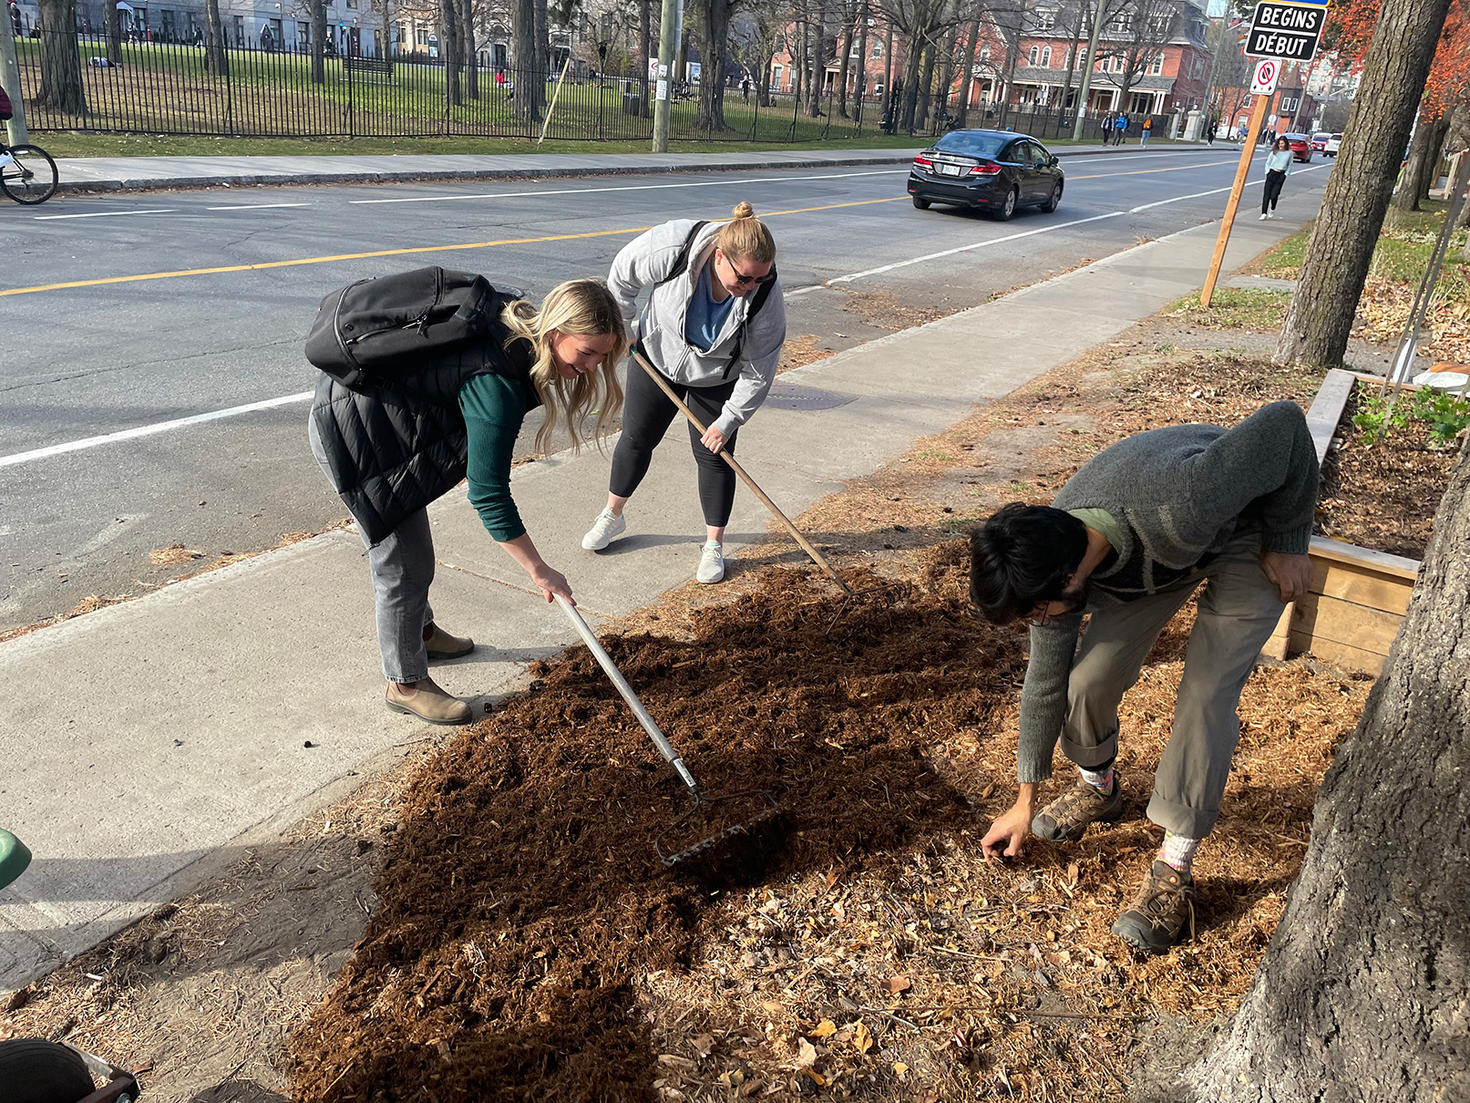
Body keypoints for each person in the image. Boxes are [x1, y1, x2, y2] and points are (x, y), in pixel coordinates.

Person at [970, 401, 1318, 954]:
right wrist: (1024, 800)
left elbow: (1285, 424)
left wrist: (1289, 537)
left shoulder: (1186, 496)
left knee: (1205, 693)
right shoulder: (1051, 561)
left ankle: (1174, 868)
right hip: (1151, 561)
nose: (1038, 624)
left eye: (1037, 612)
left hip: (1239, 526)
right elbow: (1044, 684)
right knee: (1086, 683)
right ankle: (1101, 789)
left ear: (1068, 579)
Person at [310, 280, 627, 725]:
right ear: (555, 332)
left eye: (602, 356)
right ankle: (404, 682)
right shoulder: (499, 384)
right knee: (402, 565)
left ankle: (420, 632)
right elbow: (488, 493)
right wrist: (540, 571)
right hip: (358, 435)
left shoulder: (518, 331)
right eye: (587, 353)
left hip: (392, 426)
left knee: (415, 558)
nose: (593, 368)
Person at [582, 203, 787, 585]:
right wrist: (624, 327)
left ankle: (713, 546)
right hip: (658, 357)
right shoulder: (676, 246)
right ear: (720, 255)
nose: (750, 288)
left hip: (715, 377)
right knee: (637, 438)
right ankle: (613, 514)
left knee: (715, 455)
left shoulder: (764, 295)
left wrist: (729, 420)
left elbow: (760, 368)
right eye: (744, 279)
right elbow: (622, 276)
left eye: (760, 279)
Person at [1260, 135, 1292, 220]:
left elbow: (1290, 165)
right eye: (1279, 143)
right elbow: (1268, 163)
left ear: (1285, 144)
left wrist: (1286, 174)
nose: (1281, 145)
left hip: (1281, 174)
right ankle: (1263, 213)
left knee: (1274, 195)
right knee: (1266, 194)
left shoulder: (1289, 153)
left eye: (1282, 143)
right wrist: (1267, 172)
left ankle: (1272, 209)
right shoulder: (1274, 152)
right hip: (1272, 173)